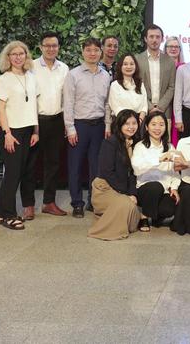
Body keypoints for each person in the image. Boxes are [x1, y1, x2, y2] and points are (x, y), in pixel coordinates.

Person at [0, 40, 39, 231]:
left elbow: (33, 105)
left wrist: (36, 130)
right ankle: (9, 215)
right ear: (8, 57)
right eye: (14, 54)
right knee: (12, 174)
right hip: (10, 130)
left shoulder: (31, 77)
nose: (18, 57)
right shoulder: (3, 80)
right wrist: (7, 134)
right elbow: (0, 109)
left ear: (26, 56)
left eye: (21, 54)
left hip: (28, 129)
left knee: (19, 173)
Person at [63, 38, 112, 218]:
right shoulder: (73, 75)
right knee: (75, 166)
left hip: (99, 125)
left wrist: (107, 124)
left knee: (96, 166)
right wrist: (70, 128)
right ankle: (77, 203)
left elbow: (107, 103)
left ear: (100, 52)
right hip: (79, 125)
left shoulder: (105, 75)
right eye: (88, 50)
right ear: (83, 52)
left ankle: (94, 201)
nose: (92, 53)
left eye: (96, 50)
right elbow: (68, 103)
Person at [30, 31, 69, 217]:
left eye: (54, 45)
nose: (51, 49)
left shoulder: (64, 68)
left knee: (53, 164)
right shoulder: (31, 67)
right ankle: (28, 204)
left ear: (58, 47)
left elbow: (66, 98)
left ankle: (49, 202)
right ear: (41, 47)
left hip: (56, 121)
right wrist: (34, 126)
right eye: (47, 45)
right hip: (34, 121)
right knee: (30, 164)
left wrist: (66, 123)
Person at [88, 109, 141, 241]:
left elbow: (134, 173)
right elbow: (107, 172)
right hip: (104, 188)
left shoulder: (136, 144)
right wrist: (125, 194)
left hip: (122, 189)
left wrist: (133, 194)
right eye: (127, 123)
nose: (131, 127)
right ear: (119, 125)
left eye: (134, 123)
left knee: (131, 210)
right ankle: (104, 229)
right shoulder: (110, 142)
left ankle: (116, 215)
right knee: (126, 204)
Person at [131, 110, 178, 230]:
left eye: (161, 125)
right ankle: (144, 217)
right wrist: (159, 159)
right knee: (155, 186)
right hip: (145, 190)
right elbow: (136, 168)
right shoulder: (140, 146)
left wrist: (174, 188)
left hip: (164, 191)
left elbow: (175, 172)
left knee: (169, 209)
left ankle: (153, 214)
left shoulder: (170, 147)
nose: (157, 128)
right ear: (147, 127)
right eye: (153, 124)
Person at [135, 24, 176, 116]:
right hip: (142, 110)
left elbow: (172, 87)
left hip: (164, 111)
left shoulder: (170, 61)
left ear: (162, 39)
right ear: (145, 39)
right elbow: (135, 85)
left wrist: (160, 107)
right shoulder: (137, 60)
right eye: (151, 37)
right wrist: (150, 107)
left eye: (157, 37)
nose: (154, 40)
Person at [108, 54, 148, 122]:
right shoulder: (115, 85)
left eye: (131, 64)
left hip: (139, 121)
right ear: (120, 66)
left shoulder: (140, 84)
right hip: (121, 121)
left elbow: (144, 106)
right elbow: (115, 107)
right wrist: (129, 122)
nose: (129, 67)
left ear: (135, 66)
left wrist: (139, 120)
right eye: (125, 64)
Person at [163, 36, 185, 144]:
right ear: (165, 48)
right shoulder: (160, 67)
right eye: (170, 46)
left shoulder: (185, 68)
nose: (173, 49)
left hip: (180, 109)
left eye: (176, 46)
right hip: (164, 107)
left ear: (180, 49)